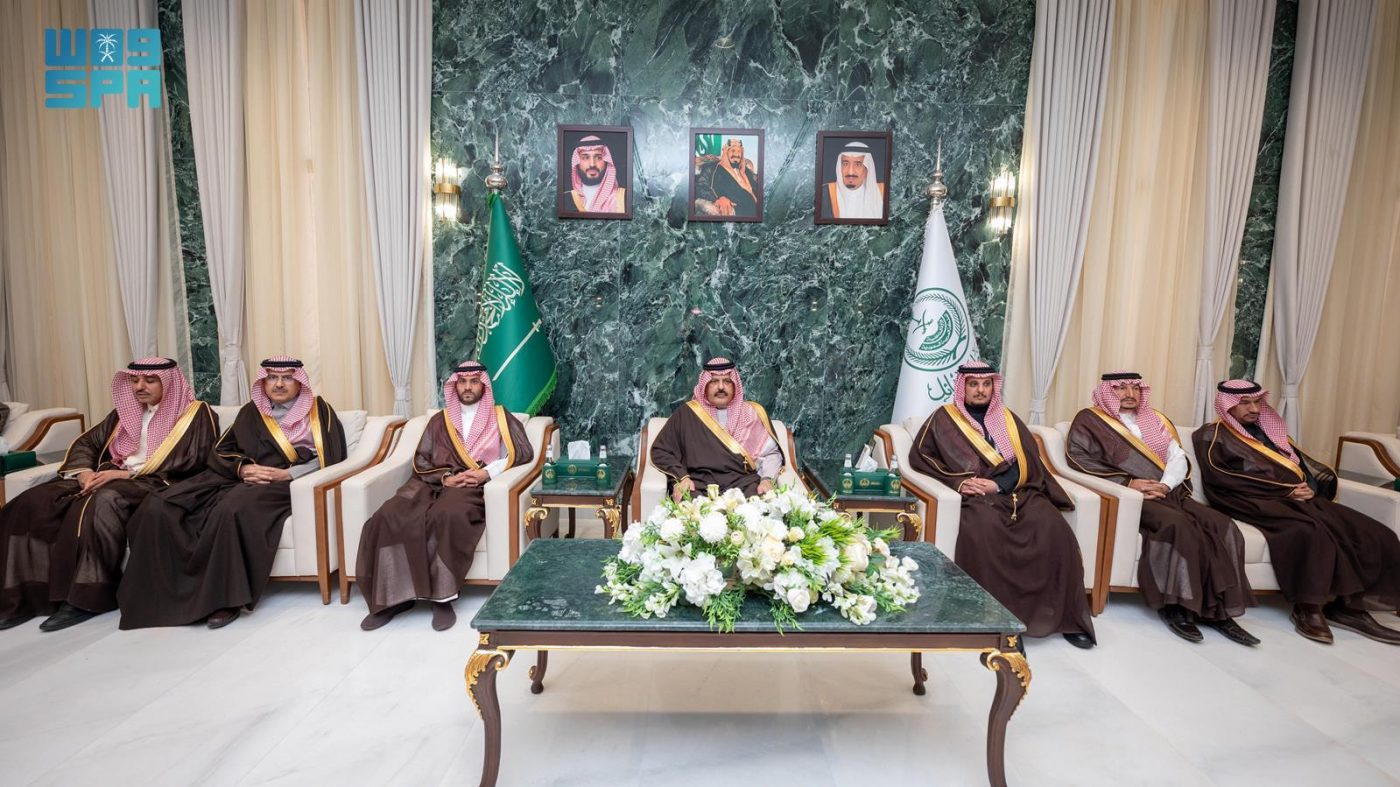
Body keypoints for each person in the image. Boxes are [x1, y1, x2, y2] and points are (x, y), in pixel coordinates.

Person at [117, 357, 347, 629]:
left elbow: (332, 456)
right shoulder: (252, 412)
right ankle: (158, 594)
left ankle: (223, 600)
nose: (279, 384)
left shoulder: (319, 411)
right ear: (263, 381)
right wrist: (243, 468)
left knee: (230, 509)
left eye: (287, 377)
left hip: (284, 482)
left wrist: (288, 474)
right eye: (272, 377)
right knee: (162, 504)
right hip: (239, 476)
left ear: (299, 382)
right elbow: (222, 450)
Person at [0, 358, 215, 631]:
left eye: (150, 380)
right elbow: (88, 443)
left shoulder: (196, 413)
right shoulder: (123, 413)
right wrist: (84, 473)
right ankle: (22, 597)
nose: (140, 386)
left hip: (157, 482)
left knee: (104, 501)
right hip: (107, 475)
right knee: (31, 501)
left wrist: (125, 475)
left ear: (169, 382)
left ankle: (86, 598)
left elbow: (193, 459)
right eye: (135, 380)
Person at [1194, 380, 1400, 645]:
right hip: (1248, 500)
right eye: (1245, 403)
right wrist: (1283, 490)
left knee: (1370, 531)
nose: (1254, 409)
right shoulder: (1210, 435)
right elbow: (1220, 477)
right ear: (1227, 405)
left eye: (1257, 402)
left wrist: (1308, 488)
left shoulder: (1270, 433)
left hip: (1293, 499)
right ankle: (1309, 608)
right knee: (1308, 532)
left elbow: (1301, 468)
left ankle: (1350, 607)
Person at [906, 362, 1095, 648]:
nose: (980, 390)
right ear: (962, 387)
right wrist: (959, 482)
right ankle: (998, 623)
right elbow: (921, 458)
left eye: (986, 384)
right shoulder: (943, 419)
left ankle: (1067, 618)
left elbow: (1029, 461)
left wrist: (999, 485)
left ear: (994, 387)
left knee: (1053, 527)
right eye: (973, 384)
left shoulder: (1008, 419)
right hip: (977, 497)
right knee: (984, 531)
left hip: (1016, 491)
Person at [1066, 372, 1257, 645]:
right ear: (1107, 391)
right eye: (1121, 388)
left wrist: (1165, 485)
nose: (1129, 394)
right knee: (1177, 526)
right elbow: (1078, 457)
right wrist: (1128, 482)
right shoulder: (1091, 420)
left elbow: (1177, 457)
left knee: (1222, 526)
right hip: (1134, 497)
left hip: (1171, 493)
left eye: (1135, 388)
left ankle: (1219, 610)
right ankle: (1176, 606)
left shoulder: (1155, 419)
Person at [355, 361, 531, 632]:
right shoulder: (440, 420)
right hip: (433, 482)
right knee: (388, 515)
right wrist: (445, 477)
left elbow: (521, 452)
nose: (468, 387)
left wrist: (485, 474)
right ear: (454, 386)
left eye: (474, 381)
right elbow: (422, 459)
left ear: (483, 385)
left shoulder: (500, 417)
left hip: (471, 486)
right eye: (462, 382)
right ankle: (392, 600)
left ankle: (442, 598)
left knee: (446, 515)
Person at [650, 357, 784, 502]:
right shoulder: (687, 413)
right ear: (705, 385)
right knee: (690, 506)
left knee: (761, 506)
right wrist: (682, 477)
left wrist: (766, 479)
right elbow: (661, 451)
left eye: (727, 381)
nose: (721, 387)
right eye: (714, 381)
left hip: (743, 483)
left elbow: (772, 453)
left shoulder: (751, 413)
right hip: (699, 484)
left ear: (735, 385)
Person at [820, 140, 885, 220]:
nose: (850, 172)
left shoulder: (883, 192)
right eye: (845, 164)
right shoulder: (824, 193)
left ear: (867, 168)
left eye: (858, 164)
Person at [694, 138, 758, 217]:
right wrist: (718, 198)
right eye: (733, 151)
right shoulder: (712, 168)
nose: (736, 154)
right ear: (726, 152)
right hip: (735, 212)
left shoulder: (746, 172)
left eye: (739, 151)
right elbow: (701, 187)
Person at [564, 135, 626, 213]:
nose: (592, 164)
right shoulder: (565, 199)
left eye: (598, 157)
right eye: (585, 158)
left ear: (606, 161)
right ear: (577, 162)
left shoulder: (624, 198)